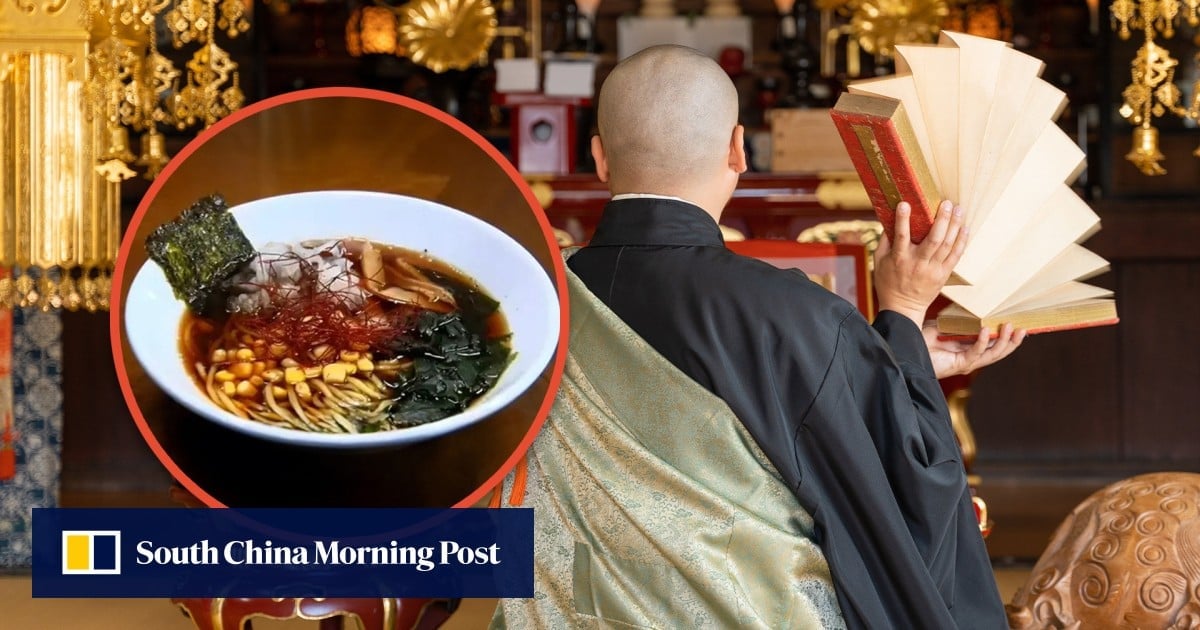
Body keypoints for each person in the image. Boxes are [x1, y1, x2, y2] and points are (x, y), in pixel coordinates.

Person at [492, 44, 1025, 629]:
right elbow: (909, 494)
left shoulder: (524, 303)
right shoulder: (803, 318)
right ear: (738, 149)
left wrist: (885, 360)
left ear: (597, 157)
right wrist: (902, 313)